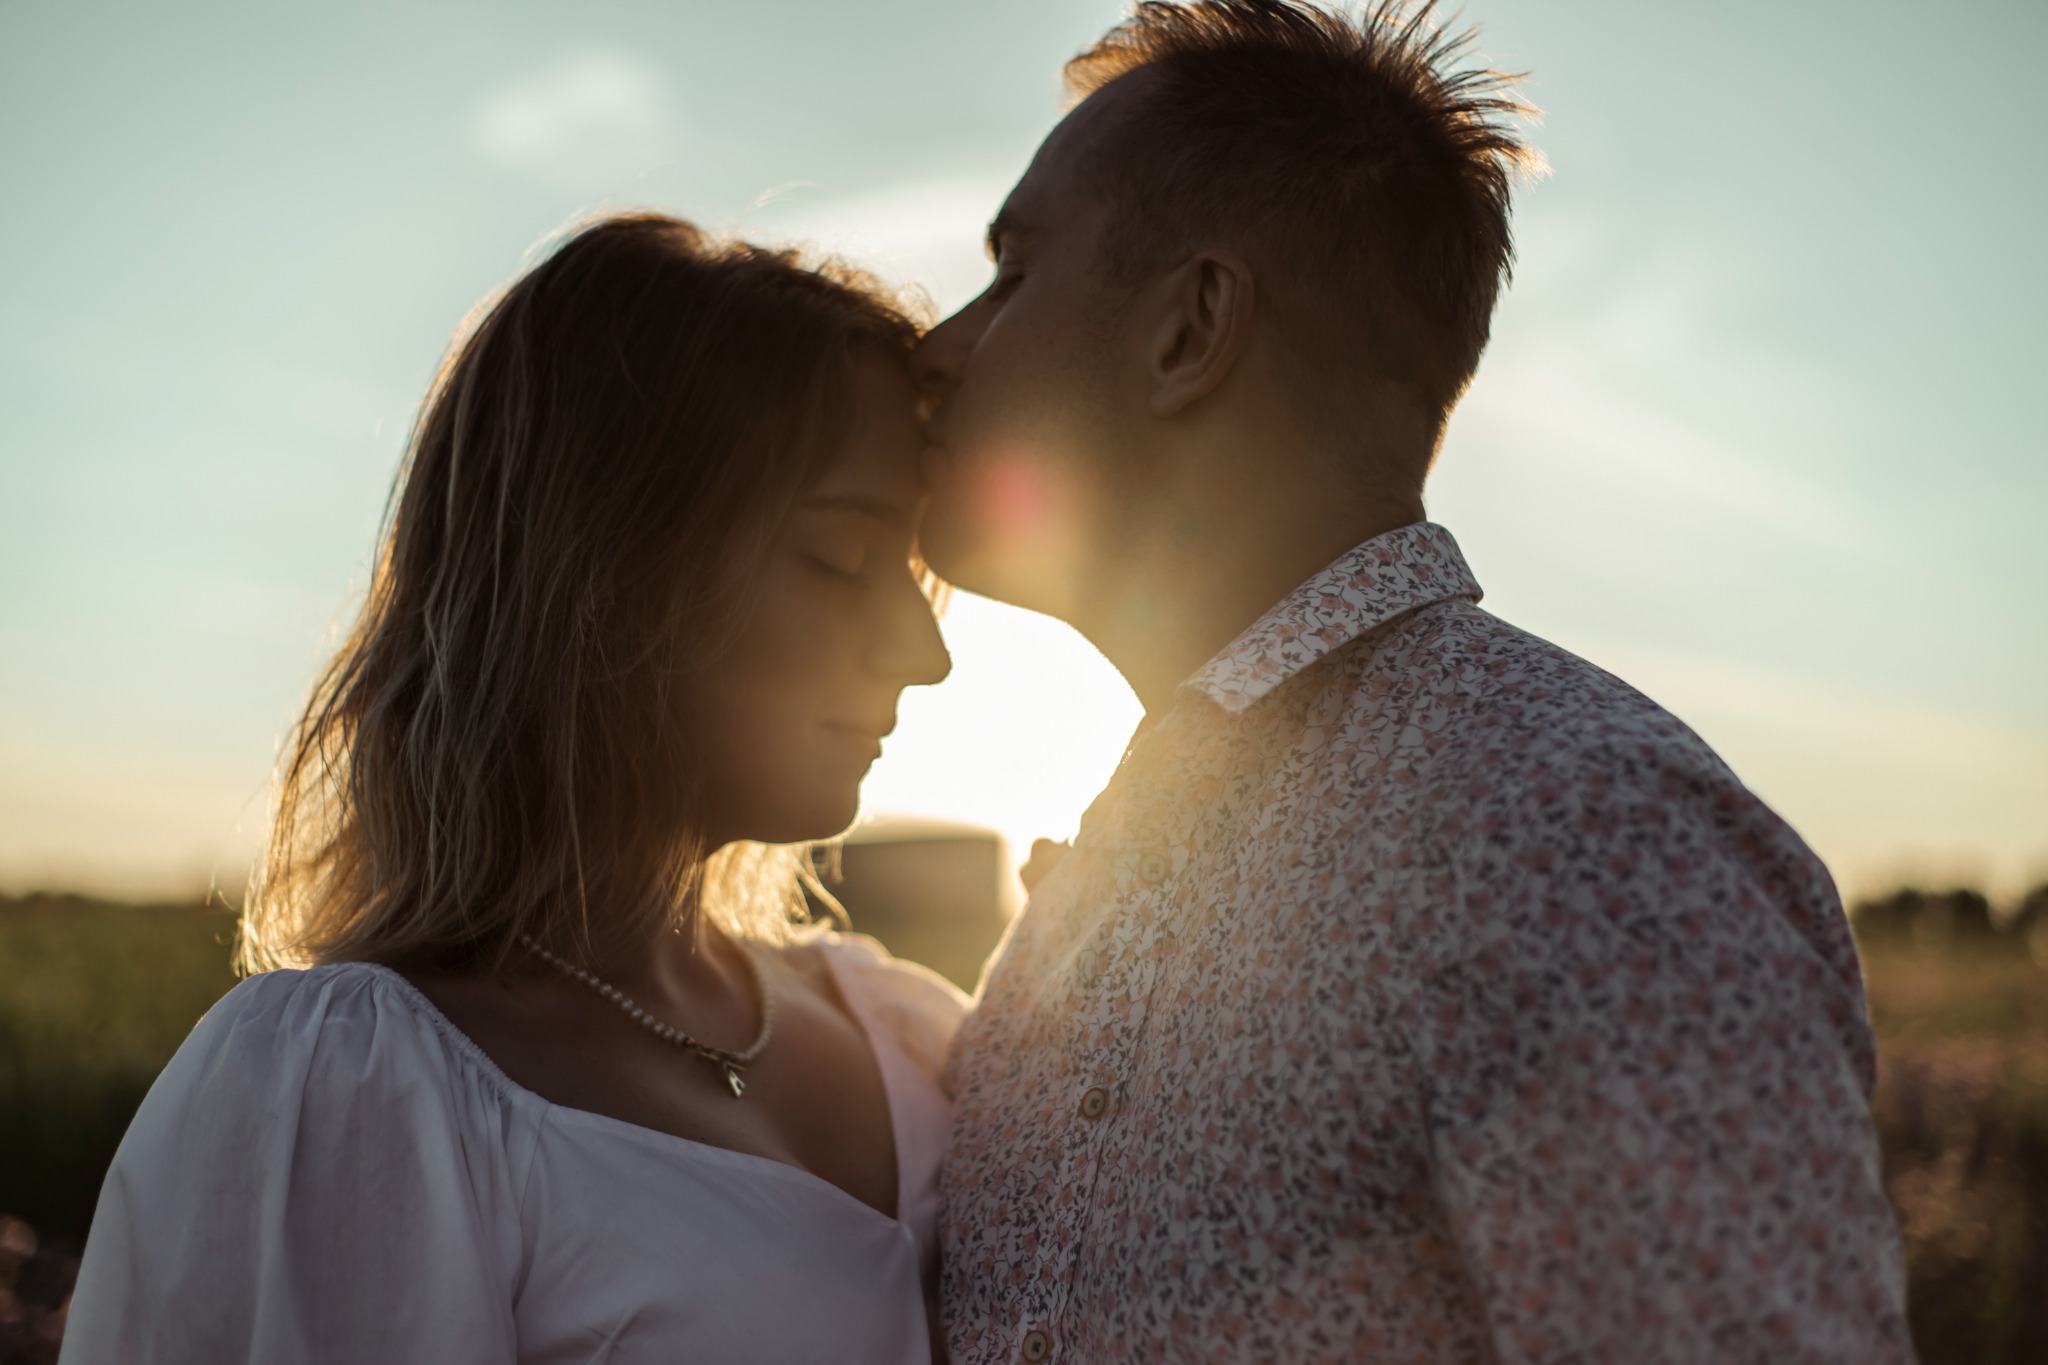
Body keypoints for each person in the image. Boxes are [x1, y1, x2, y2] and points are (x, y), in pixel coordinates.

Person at [916, 2, 1915, 1361]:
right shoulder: (1077, 905)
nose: (937, 349)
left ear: (1190, 327)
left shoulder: (1577, 836)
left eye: (1012, 272)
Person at [60, 214, 965, 1364]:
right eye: (840, 559)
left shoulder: (914, 1037)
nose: (922, 652)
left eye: (912, 571)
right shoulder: (351, 1093)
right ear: (610, 571)